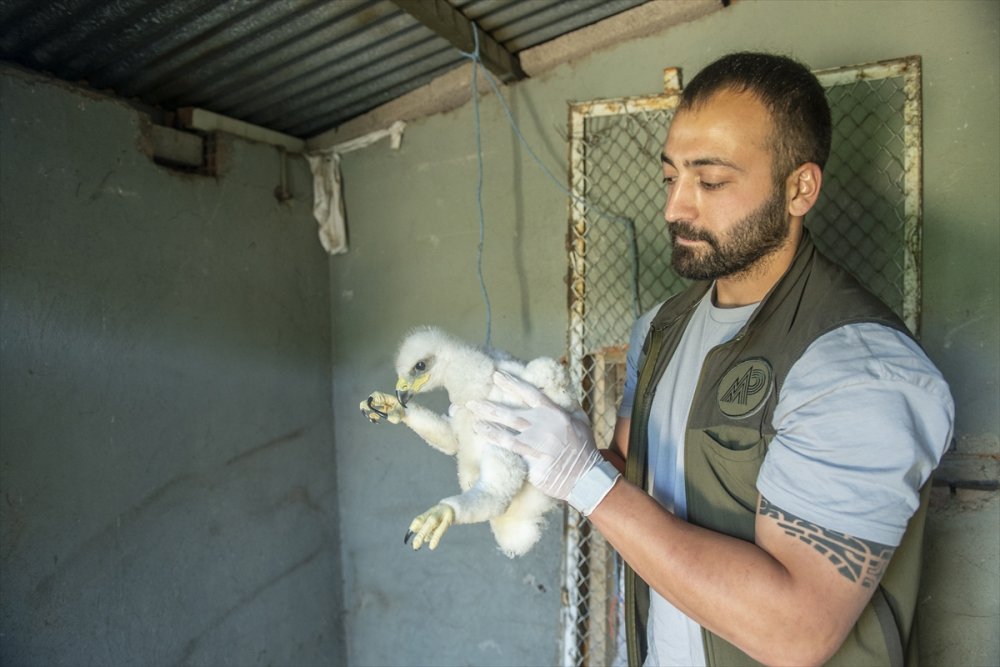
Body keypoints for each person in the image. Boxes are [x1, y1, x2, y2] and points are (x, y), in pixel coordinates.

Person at [468, 52, 954, 666]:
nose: (675, 207)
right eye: (670, 176)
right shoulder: (661, 328)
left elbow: (795, 632)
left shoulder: (859, 369)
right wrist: (535, 447)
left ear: (800, 188)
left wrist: (582, 478)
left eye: (711, 181)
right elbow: (626, 475)